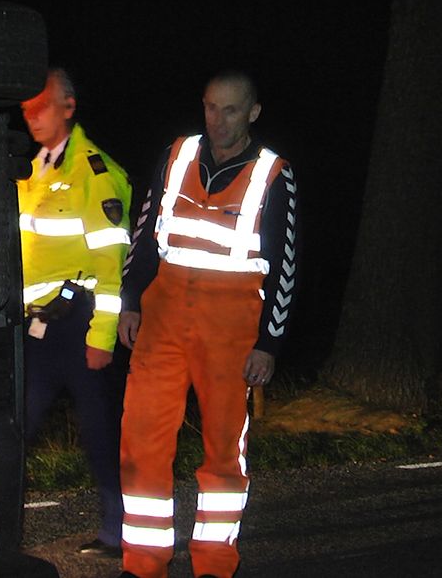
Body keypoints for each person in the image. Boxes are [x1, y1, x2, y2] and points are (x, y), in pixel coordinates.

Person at [116, 70, 299, 578]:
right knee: (141, 441)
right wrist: (130, 299)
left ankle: (215, 565)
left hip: (231, 328)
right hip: (164, 317)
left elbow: (286, 266)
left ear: (253, 113)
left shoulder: (272, 173)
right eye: (210, 108)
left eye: (231, 110)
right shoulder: (177, 155)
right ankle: (143, 563)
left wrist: (270, 343)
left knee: (223, 452)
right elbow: (145, 231)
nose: (218, 120)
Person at [18, 68, 132, 558]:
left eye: (42, 105)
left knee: (98, 430)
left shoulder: (94, 172)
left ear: (68, 106)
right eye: (26, 108)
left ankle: (117, 532)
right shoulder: (33, 172)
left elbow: (112, 265)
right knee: (17, 427)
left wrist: (102, 338)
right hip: (36, 327)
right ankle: (0, 532)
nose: (32, 116)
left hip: (80, 324)